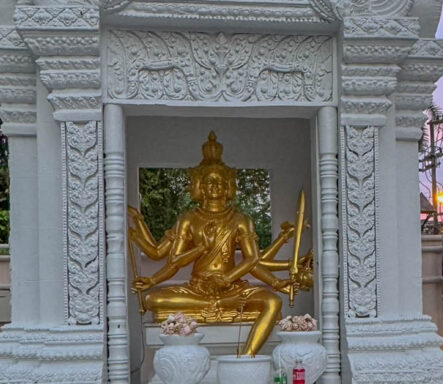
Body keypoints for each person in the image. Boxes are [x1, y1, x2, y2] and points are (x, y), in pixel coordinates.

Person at [129, 132, 311, 356]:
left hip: (231, 289)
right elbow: (174, 262)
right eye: (208, 181)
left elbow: (253, 260)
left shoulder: (241, 219)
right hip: (197, 290)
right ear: (200, 186)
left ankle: (247, 357)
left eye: (219, 181)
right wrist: (152, 280)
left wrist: (274, 283)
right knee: (153, 300)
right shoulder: (188, 219)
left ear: (228, 186)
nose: (214, 186)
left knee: (272, 302)